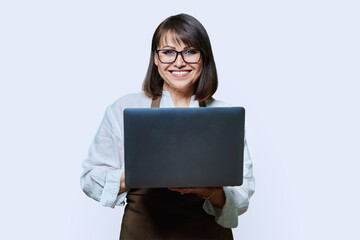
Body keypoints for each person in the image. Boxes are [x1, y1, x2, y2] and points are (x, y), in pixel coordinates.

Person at [81, 13, 255, 239]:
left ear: (204, 58)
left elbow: (242, 194)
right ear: (155, 58)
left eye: (190, 51)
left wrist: (211, 192)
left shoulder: (224, 114)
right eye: (168, 52)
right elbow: (90, 178)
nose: (179, 61)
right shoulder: (123, 108)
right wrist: (138, 174)